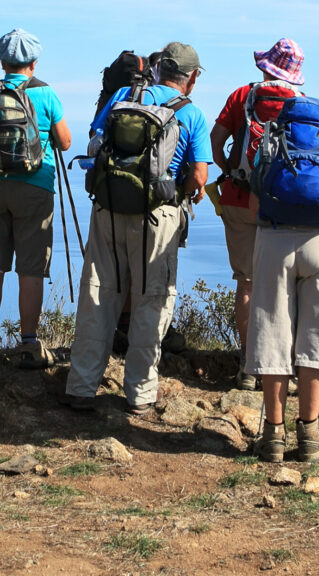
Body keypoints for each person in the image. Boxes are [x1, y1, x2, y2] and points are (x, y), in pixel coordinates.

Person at [62, 42, 211, 414]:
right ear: (192, 78)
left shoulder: (123, 97)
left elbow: (96, 142)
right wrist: (180, 190)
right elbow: (198, 176)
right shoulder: (191, 113)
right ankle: (140, 393)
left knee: (98, 294)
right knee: (151, 298)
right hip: (158, 216)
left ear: (159, 70)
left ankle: (81, 387)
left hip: (109, 207)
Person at [246, 94, 319, 464]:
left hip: (274, 239)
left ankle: (272, 436)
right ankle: (310, 433)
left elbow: (256, 196)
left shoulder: (269, 139)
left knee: (272, 331)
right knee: (318, 333)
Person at [0, 28, 72, 369]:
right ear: (34, 62)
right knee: (31, 269)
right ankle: (29, 343)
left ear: (2, 62)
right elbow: (65, 141)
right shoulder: (46, 93)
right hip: (35, 187)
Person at [209, 37, 304, 391]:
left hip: (238, 199)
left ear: (265, 67)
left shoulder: (241, 96)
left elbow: (215, 141)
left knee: (247, 283)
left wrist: (231, 172)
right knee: (283, 287)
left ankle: (249, 367)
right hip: (282, 205)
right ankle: (280, 369)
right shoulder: (301, 103)